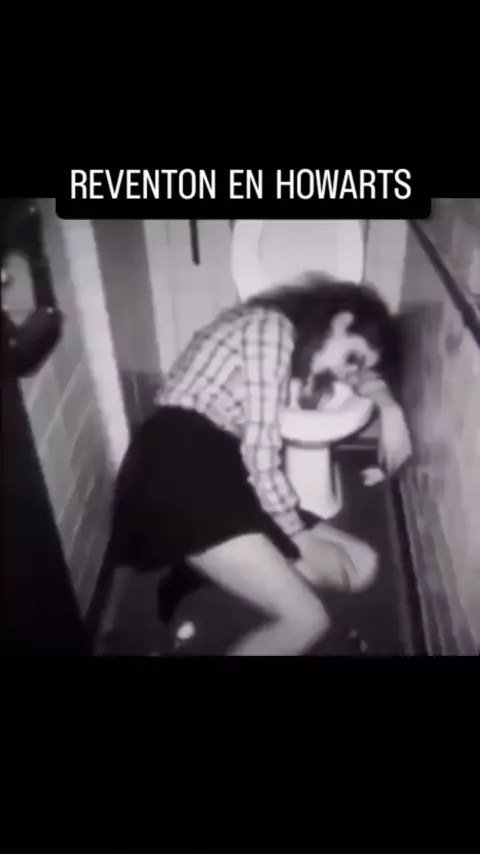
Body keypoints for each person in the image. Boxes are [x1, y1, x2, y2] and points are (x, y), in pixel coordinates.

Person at [106, 274, 412, 656]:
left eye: (355, 371)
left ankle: (208, 567)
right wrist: (299, 538)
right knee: (308, 621)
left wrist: (390, 409)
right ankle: (214, 559)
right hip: (178, 466)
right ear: (340, 321)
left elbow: (366, 379)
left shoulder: (288, 345)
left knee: (364, 566)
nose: (346, 376)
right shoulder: (271, 329)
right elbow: (261, 452)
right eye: (352, 358)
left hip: (226, 472)